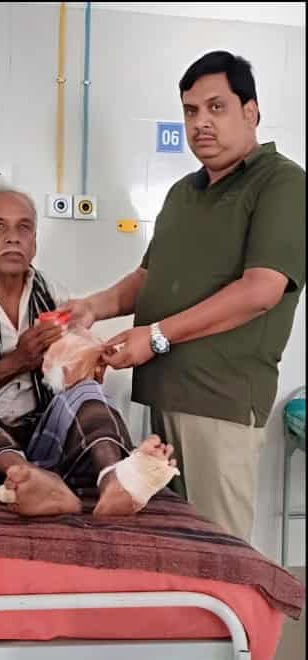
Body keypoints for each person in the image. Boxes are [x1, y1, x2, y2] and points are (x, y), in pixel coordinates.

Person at [59, 51, 306, 542]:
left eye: (217, 107)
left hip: (221, 403)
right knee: (175, 546)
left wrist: (153, 338)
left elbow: (262, 290)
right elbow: (149, 276)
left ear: (250, 111)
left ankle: (241, 623)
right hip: (163, 397)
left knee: (219, 551)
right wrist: (95, 306)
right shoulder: (181, 193)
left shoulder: (282, 183)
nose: (201, 123)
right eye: (191, 111)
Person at [0, 184, 178, 518]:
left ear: (34, 241)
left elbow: (68, 381)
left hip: (43, 440)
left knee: (87, 392)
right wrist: (18, 361)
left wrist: (90, 360)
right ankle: (27, 476)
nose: (13, 237)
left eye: (24, 227)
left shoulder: (53, 294)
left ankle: (115, 480)